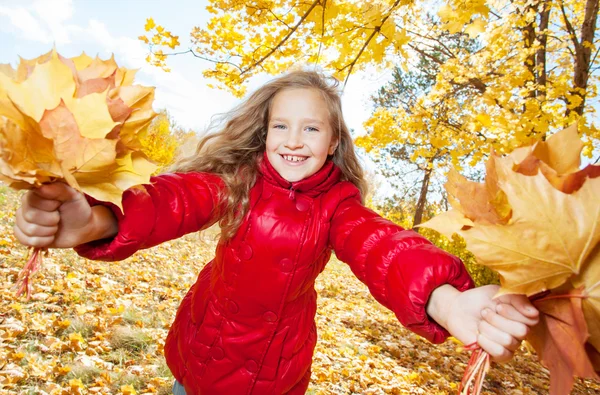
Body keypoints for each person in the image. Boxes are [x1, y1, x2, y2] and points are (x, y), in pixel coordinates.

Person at [14, 70, 539, 395]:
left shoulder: (338, 207)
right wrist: (98, 220)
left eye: (311, 128)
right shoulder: (236, 183)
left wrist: (446, 300)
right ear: (264, 135)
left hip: (274, 378)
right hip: (201, 360)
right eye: (281, 126)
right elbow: (172, 202)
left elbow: (382, 246)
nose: (294, 139)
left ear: (333, 141)